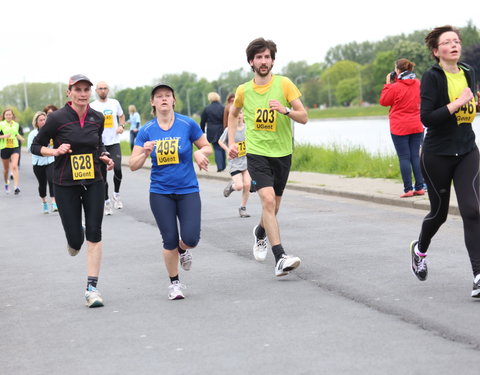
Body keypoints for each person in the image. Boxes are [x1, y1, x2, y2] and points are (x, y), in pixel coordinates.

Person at [31, 74, 114, 307]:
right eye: (78, 89)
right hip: (65, 182)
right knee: (76, 241)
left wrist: (105, 157)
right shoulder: (56, 118)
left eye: (86, 89)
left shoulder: (97, 118)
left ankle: (92, 289)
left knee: (95, 234)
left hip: (94, 180)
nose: (83, 93)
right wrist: (55, 151)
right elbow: (36, 146)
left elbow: (99, 145)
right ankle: (75, 237)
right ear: (69, 92)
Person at [409, 25, 480, 298]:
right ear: (437, 51)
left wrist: (472, 102)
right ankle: (420, 249)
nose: (454, 45)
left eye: (457, 41)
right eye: (447, 42)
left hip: (467, 151)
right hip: (437, 154)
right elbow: (427, 118)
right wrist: (459, 102)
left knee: (473, 211)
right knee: (438, 214)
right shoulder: (432, 77)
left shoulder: (469, 72)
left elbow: (469, 107)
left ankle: (477, 275)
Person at [227, 37, 308, 277]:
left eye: (267, 57)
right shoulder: (244, 90)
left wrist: (285, 110)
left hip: (282, 153)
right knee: (268, 201)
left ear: (273, 60)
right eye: (259, 57)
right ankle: (280, 257)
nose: (264, 61)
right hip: (257, 153)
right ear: (251, 61)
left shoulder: (284, 85)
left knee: (274, 206)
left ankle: (260, 233)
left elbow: (304, 117)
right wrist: (232, 143)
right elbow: (233, 115)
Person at [129, 83, 211, 300]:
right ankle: (174, 284)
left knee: (191, 238)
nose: (164, 99)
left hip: (187, 190)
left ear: (174, 100)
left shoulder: (187, 124)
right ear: (152, 102)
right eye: (159, 96)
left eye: (167, 96)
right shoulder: (147, 130)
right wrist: (145, 153)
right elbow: (133, 164)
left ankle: (184, 250)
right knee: (169, 240)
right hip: (160, 192)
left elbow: (207, 145)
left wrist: (199, 153)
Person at [379, 58, 425, 198]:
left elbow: (384, 102)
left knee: (404, 157)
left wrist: (388, 84)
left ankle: (408, 189)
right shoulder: (418, 83)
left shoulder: (395, 87)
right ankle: (420, 187)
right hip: (417, 124)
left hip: (399, 127)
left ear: (397, 71)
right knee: (415, 156)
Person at [90, 81, 126, 215]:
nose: (103, 91)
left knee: (118, 169)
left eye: (105, 88)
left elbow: (121, 116)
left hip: (114, 142)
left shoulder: (114, 103)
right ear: (96, 91)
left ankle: (116, 194)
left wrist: (122, 126)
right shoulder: (92, 106)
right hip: (100, 144)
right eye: (100, 89)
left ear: (108, 90)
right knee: (102, 175)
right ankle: (106, 201)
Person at [218, 110, 252, 218]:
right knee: (239, 186)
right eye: (237, 114)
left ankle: (243, 208)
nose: (239, 116)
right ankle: (232, 187)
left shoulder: (248, 128)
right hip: (235, 162)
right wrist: (228, 150)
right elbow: (220, 141)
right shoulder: (229, 129)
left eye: (241, 113)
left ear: (243, 115)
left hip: (246, 161)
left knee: (247, 184)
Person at [27, 111, 57, 213]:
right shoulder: (32, 134)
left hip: (50, 160)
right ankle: (44, 202)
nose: (43, 122)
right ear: (36, 122)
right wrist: (43, 151)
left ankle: (54, 202)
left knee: (52, 180)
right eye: (41, 120)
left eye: (45, 119)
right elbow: (30, 149)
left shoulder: (51, 132)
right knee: (42, 184)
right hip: (38, 163)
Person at [0, 108, 24, 194]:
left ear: (12, 115)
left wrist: (21, 138)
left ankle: (16, 186)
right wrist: (4, 136)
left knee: (14, 166)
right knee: (6, 170)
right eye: (7, 115)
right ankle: (6, 183)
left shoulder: (16, 124)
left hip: (14, 146)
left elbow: (16, 134)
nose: (9, 116)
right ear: (4, 116)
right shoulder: (1, 124)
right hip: (4, 148)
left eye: (10, 114)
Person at [200, 92, 226, 172]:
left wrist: (202, 131)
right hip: (222, 129)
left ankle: (220, 167)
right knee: (222, 148)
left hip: (212, 130)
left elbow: (203, 121)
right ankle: (224, 165)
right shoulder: (223, 107)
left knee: (216, 148)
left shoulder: (207, 108)